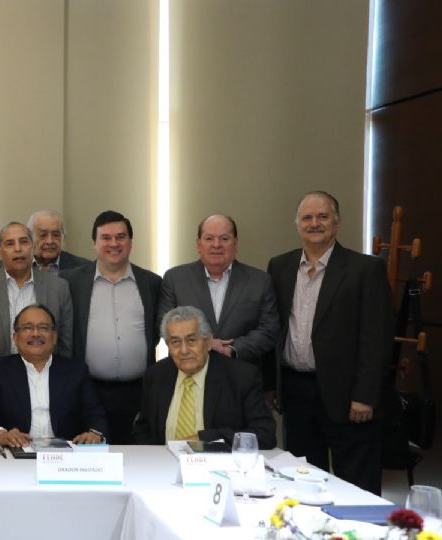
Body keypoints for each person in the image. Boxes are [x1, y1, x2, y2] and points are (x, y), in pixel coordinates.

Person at [267, 191, 392, 494]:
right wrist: (272, 384)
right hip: (296, 393)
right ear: (297, 225)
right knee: (303, 481)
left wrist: (365, 395)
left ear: (336, 223)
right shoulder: (280, 267)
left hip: (348, 398)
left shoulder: (365, 269)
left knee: (356, 485)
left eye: (323, 216)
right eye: (307, 217)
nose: (315, 223)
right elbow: (273, 328)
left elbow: (377, 337)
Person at [0, 222, 73, 423]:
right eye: (9, 243)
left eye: (24, 242)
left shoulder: (58, 287)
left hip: (44, 390)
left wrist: (64, 391)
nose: (18, 249)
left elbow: (65, 343)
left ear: (33, 247)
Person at [61, 211, 161, 444]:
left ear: (130, 242)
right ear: (95, 243)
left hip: (138, 393)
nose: (114, 243)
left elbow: (158, 331)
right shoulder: (70, 282)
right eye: (106, 237)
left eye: (121, 237)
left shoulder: (152, 283)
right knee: (88, 459)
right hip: (87, 390)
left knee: (136, 458)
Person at [133, 306, 276, 449]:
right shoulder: (155, 375)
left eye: (191, 340)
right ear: (167, 346)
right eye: (175, 342)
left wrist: (205, 439)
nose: (184, 350)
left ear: (208, 342)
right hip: (164, 465)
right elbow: (143, 429)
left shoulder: (241, 377)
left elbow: (265, 435)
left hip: (218, 467)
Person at [0, 305, 107, 447]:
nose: (35, 334)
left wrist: (95, 433)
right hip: (15, 455)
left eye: (43, 328)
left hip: (65, 458)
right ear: (15, 337)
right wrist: (1, 434)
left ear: (54, 337)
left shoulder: (76, 371)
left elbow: (95, 413)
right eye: (27, 328)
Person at [158, 214, 279, 367]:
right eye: (209, 238)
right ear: (198, 244)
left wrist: (232, 349)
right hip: (188, 373)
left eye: (224, 238)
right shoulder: (175, 278)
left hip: (240, 375)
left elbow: (269, 330)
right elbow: (164, 324)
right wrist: (204, 343)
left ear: (235, 244)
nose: (216, 244)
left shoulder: (260, 281)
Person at [0, 210, 89, 274]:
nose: (50, 241)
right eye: (43, 235)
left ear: (64, 238)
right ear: (29, 239)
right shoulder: (2, 267)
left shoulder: (83, 268)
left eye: (56, 235)